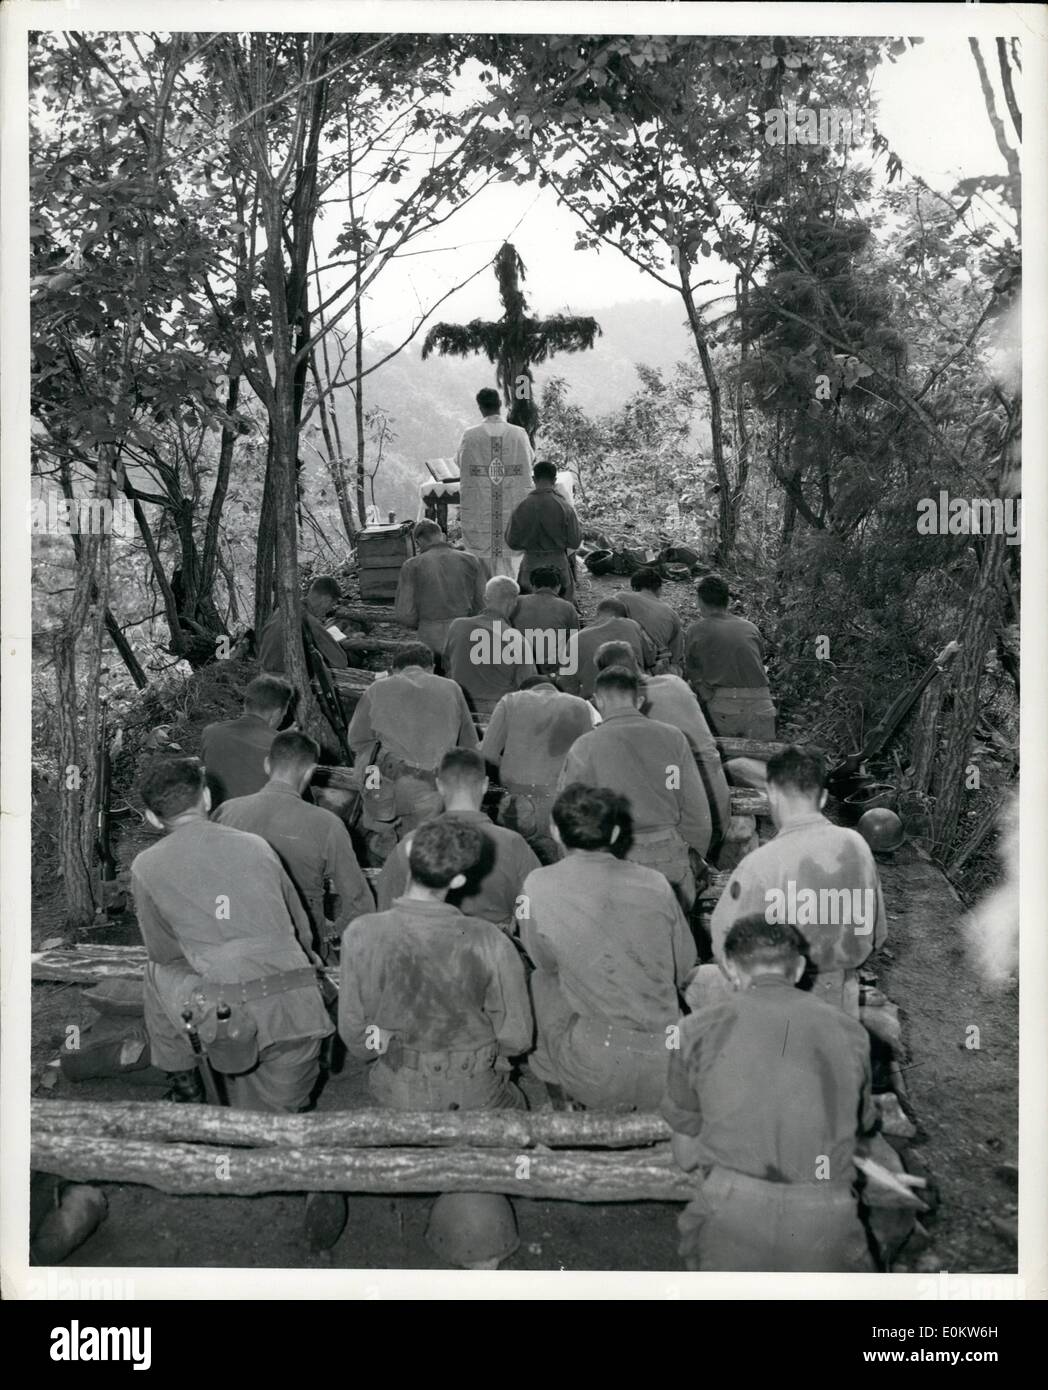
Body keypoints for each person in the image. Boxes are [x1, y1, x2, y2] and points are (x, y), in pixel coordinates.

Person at [662, 915, 876, 1272]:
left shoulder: (693, 1030)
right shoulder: (850, 1031)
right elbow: (861, 1125)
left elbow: (685, 1156)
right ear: (799, 968)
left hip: (733, 1213)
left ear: (730, 969)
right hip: (824, 1214)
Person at [130, 757, 331, 1114]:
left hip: (224, 1012)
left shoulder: (146, 865)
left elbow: (163, 953)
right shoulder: (257, 845)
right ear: (206, 798)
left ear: (152, 817)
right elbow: (301, 931)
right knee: (277, 1123)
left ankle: (186, 1085)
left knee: (156, 972)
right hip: (298, 1008)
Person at [521, 785, 696, 1110]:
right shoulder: (656, 883)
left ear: (555, 831)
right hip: (668, 1061)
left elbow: (541, 961)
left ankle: (561, 1105)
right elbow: (684, 965)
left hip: (594, 1068)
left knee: (540, 982)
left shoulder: (536, 884)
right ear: (616, 832)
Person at [339, 816, 533, 1111]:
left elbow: (354, 1032)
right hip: (475, 1088)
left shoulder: (361, 933)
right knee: (518, 1108)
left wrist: (385, 1050)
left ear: (407, 855)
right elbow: (517, 1038)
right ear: (458, 879)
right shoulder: (489, 939)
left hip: (398, 1088)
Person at [705, 745, 887, 1017]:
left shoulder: (760, 863)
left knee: (698, 983)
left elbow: (723, 944)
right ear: (824, 797)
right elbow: (878, 934)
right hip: (841, 999)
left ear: (773, 795)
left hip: (779, 1004)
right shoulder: (857, 846)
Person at [558, 665, 712, 907]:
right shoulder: (674, 738)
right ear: (640, 701)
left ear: (598, 701)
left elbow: (570, 816)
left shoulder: (585, 746)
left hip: (612, 859)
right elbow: (697, 811)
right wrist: (692, 854)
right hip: (669, 856)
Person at [212, 730, 374, 958]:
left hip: (236, 936)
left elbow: (210, 881)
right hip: (300, 944)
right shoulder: (327, 824)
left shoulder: (226, 811)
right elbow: (358, 901)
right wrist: (334, 931)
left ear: (268, 765)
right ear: (310, 771)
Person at [376, 748, 539, 932]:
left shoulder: (411, 844)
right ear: (485, 785)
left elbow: (386, 912)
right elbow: (534, 908)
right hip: (492, 950)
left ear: (439, 786)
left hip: (428, 949)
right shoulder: (514, 844)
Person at [594, 640, 731, 851]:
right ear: (637, 662)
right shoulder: (675, 683)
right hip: (717, 797)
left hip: (686, 812)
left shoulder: (627, 707)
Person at [348, 643, 478, 845]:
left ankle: (380, 833)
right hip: (433, 788)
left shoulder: (377, 688)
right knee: (423, 845)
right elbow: (470, 745)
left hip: (385, 786)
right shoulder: (452, 688)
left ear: (394, 669)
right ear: (432, 667)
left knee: (367, 755)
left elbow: (355, 740)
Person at [480, 674, 596, 861]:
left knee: (517, 865)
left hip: (517, 808)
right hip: (560, 807)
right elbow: (589, 763)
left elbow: (487, 757)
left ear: (523, 690)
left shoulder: (510, 701)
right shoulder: (579, 705)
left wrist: (502, 791)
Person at [683, 574, 776, 739]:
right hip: (762, 700)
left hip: (725, 704)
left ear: (700, 602)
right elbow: (758, 660)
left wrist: (704, 690)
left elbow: (690, 668)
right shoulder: (750, 627)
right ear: (728, 601)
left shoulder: (695, 630)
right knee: (764, 759)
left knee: (732, 759)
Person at [455, 387, 535, 578]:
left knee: (483, 566)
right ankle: (511, 592)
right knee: (510, 559)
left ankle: (485, 597)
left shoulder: (470, 435)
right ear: (500, 404)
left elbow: (460, 461)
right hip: (511, 506)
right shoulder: (518, 434)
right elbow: (530, 460)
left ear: (480, 408)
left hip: (481, 508)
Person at [443, 576, 536, 719]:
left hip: (460, 707)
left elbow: (446, 666)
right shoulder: (517, 640)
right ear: (514, 603)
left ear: (485, 599)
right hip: (498, 711)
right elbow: (527, 685)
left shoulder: (457, 626)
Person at [393, 520, 486, 659]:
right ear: (441, 535)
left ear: (418, 541)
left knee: (435, 678)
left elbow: (405, 613)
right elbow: (482, 601)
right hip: (464, 632)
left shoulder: (412, 566)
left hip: (429, 635)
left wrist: (422, 624)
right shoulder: (471, 560)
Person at [201, 675, 292, 809]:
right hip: (258, 823)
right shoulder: (282, 747)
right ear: (277, 713)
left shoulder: (210, 733)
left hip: (218, 820)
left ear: (245, 704)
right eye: (284, 714)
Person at [504, 459, 583, 601]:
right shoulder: (564, 506)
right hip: (558, 565)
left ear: (534, 478)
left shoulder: (521, 507)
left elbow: (511, 542)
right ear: (554, 479)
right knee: (562, 610)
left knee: (528, 609)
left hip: (530, 566)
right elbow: (575, 542)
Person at [560, 597, 653, 699]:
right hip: (633, 696)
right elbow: (650, 658)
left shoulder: (575, 639)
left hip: (596, 701)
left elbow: (567, 685)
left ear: (597, 614)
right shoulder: (633, 625)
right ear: (623, 616)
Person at [258, 575, 349, 678]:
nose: (328, 611)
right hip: (285, 682)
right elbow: (341, 662)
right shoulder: (308, 620)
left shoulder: (282, 610)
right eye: (331, 605)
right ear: (326, 600)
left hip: (264, 674)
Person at [511, 566, 579, 676]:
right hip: (551, 667)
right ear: (558, 587)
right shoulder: (567, 607)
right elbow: (574, 642)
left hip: (519, 663)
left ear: (532, 586)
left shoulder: (517, 602)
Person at [616, 567, 684, 674]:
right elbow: (677, 655)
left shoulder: (621, 598)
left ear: (634, 588)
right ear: (659, 589)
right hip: (658, 670)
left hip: (625, 666)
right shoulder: (672, 614)